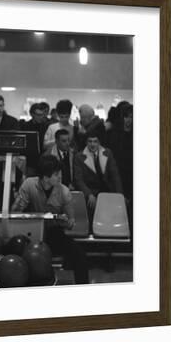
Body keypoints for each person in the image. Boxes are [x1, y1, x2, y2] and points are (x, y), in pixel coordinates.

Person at [11, 155, 89, 284]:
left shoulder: (64, 191)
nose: (60, 177)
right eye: (56, 174)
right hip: (30, 232)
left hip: (54, 233)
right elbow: (15, 212)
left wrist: (66, 221)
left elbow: (71, 222)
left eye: (60, 173)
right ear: (45, 177)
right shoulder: (29, 184)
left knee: (79, 254)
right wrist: (19, 205)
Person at [74, 130, 123, 219]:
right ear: (86, 142)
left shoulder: (107, 153)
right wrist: (89, 194)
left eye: (95, 141)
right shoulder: (79, 157)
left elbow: (115, 175)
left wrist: (120, 195)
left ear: (99, 142)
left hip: (107, 191)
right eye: (90, 141)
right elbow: (79, 180)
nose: (92, 144)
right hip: (91, 192)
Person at [22, 103, 48, 175]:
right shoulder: (25, 126)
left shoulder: (46, 126)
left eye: (42, 115)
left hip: (43, 160)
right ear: (32, 114)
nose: (41, 117)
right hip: (30, 160)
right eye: (38, 115)